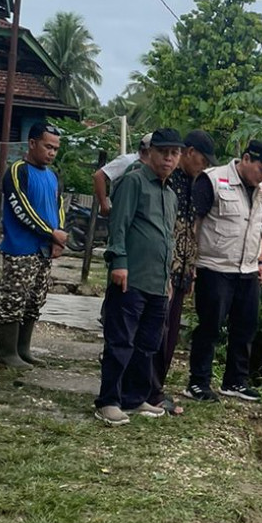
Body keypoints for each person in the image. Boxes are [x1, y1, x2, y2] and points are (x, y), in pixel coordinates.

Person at [94, 128, 181, 425]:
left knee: (147, 344)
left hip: (157, 281)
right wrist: (119, 261)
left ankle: (134, 397)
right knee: (121, 341)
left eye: (174, 153)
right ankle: (108, 400)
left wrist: (168, 277)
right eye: (163, 152)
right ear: (151, 152)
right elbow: (119, 224)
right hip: (130, 278)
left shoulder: (170, 195)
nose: (169, 158)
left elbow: (167, 238)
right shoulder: (133, 181)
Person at [185, 138, 262, 403]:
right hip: (214, 267)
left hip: (248, 270)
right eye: (261, 169)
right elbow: (194, 223)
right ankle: (198, 382)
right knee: (210, 327)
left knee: (246, 327)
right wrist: (189, 263)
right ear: (246, 159)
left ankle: (235, 382)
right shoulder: (213, 180)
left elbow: (260, 229)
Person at [147, 129, 216, 411]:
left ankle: (157, 387)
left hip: (183, 269)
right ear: (188, 153)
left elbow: (192, 230)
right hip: (162, 269)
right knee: (156, 332)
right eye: (202, 159)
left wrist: (191, 269)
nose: (205, 165)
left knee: (171, 333)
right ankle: (149, 389)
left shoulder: (194, 183)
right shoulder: (168, 181)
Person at [0, 122, 67, 370]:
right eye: (48, 146)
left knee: (34, 301)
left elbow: (58, 207)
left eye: (56, 149)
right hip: (21, 250)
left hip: (44, 251)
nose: (52, 152)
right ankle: (7, 352)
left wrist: (57, 237)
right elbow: (22, 210)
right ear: (32, 143)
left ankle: (23, 349)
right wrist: (51, 233)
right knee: (14, 301)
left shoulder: (53, 176)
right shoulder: (17, 172)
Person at [93, 135, 150, 217]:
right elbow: (99, 176)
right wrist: (104, 204)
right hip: (121, 211)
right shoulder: (128, 161)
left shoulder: (154, 168)